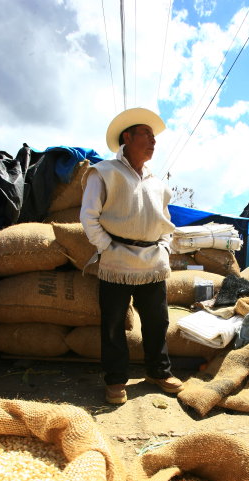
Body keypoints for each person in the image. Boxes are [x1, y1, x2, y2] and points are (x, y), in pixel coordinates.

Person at [80, 107, 183, 405]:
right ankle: (115, 381)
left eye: (154, 136)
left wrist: (164, 247)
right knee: (113, 324)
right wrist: (107, 248)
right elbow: (89, 217)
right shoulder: (104, 172)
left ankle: (158, 372)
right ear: (127, 136)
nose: (153, 141)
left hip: (153, 262)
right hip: (116, 261)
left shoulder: (157, 183)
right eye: (146, 134)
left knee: (157, 321)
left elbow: (166, 223)